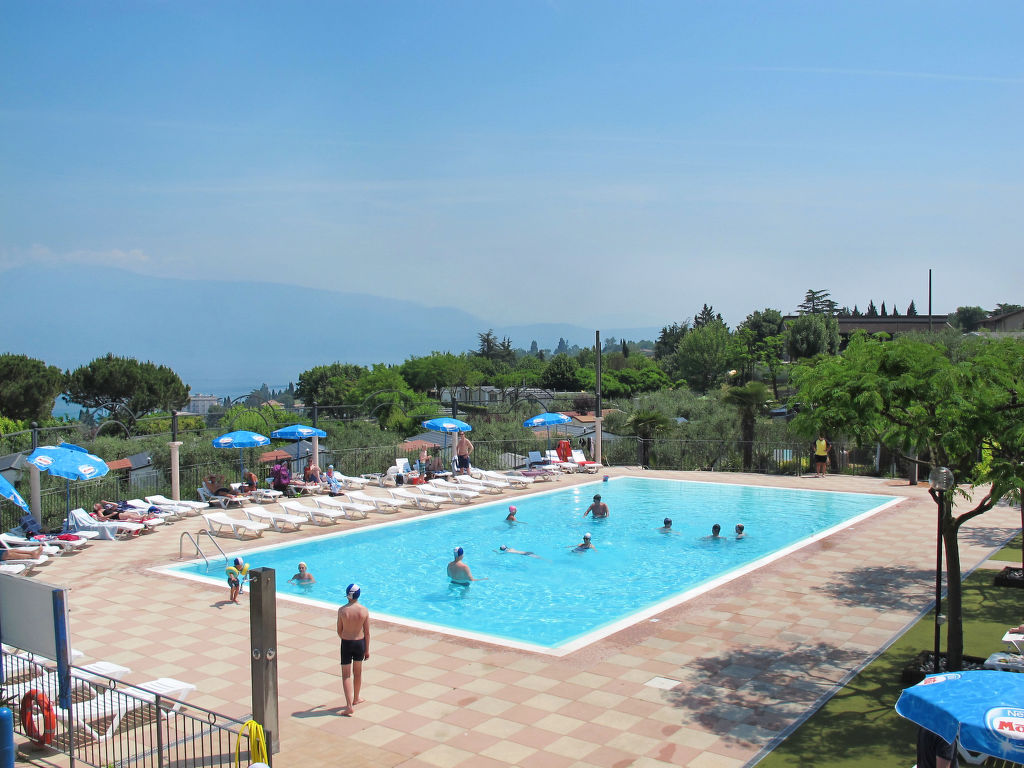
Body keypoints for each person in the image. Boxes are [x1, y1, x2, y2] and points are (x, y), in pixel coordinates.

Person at [336, 583, 370, 716]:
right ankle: (356, 698)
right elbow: (367, 633)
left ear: (347, 595)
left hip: (346, 643)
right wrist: (367, 650)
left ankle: (349, 706)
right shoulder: (364, 611)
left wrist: (345, 638)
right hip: (360, 643)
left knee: (346, 675)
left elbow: (339, 630)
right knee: (358, 673)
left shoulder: (342, 611)